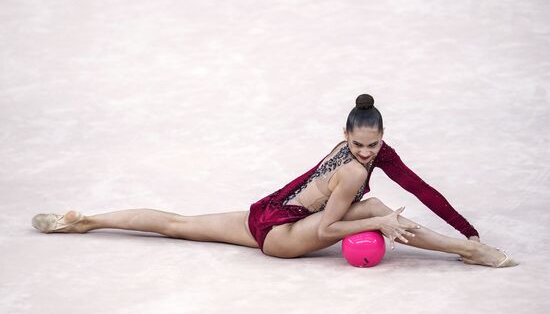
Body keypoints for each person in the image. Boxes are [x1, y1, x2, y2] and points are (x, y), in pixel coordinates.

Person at [31, 94, 518, 268]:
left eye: (373, 146)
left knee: (177, 224)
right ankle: (467, 252)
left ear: (382, 138)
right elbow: (328, 231)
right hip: (281, 235)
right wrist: (386, 225)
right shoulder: (352, 170)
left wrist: (466, 222)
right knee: (377, 210)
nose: (366, 153)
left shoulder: (371, 154)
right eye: (359, 144)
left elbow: (424, 191)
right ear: (345, 136)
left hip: (267, 211)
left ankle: (85, 222)